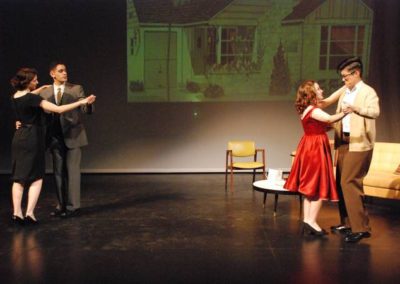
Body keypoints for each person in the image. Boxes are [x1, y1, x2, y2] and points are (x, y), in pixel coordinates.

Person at [10, 67, 96, 225]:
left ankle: (18, 213)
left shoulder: (16, 96)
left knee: (20, 178)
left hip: (28, 137)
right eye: (35, 80)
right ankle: (38, 211)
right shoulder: (38, 95)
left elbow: (25, 100)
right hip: (41, 138)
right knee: (44, 175)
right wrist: (81, 101)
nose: (38, 82)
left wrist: (87, 103)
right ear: (52, 73)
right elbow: (56, 109)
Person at [319, 57, 380, 243]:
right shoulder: (346, 89)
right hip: (343, 141)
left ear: (356, 73)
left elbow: (374, 112)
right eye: (342, 77)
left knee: (349, 182)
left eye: (346, 77)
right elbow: (327, 101)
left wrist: (356, 108)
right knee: (340, 183)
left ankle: (361, 227)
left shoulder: (368, 92)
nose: (343, 80)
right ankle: (346, 223)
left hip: (359, 144)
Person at [284, 80, 350, 236]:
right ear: (311, 94)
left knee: (310, 190)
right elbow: (329, 119)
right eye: (318, 89)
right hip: (315, 149)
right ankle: (312, 221)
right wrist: (346, 112)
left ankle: (308, 220)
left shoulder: (308, 109)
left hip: (309, 146)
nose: (322, 90)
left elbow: (321, 123)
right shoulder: (313, 110)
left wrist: (345, 87)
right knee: (319, 185)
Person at [40, 61, 94, 218]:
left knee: (72, 172)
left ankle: (72, 207)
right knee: (58, 173)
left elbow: (85, 108)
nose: (65, 73)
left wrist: (89, 104)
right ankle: (60, 205)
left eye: (65, 70)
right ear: (52, 74)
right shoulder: (45, 92)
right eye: (61, 71)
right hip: (54, 137)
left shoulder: (76, 88)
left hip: (73, 136)